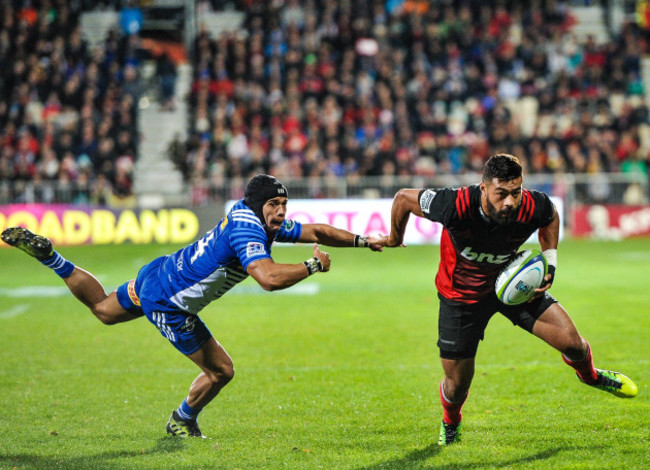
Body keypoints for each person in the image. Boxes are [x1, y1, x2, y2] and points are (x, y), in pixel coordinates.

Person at [1, 174, 384, 438]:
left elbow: (316, 231)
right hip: (170, 303)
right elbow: (266, 278)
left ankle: (52, 258)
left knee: (102, 309)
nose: (281, 212)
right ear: (258, 205)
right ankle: (181, 421)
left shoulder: (254, 216)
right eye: (274, 204)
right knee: (222, 371)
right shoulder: (248, 228)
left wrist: (364, 240)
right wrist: (312, 265)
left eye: (284, 203)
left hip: (159, 273)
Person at [378, 154, 638, 446]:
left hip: (510, 284)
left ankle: (590, 376)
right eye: (501, 194)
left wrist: (550, 263)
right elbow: (402, 199)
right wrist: (393, 237)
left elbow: (550, 216)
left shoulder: (532, 204)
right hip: (461, 298)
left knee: (572, 343)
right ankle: (451, 421)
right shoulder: (454, 205)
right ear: (484, 188)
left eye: (516, 192)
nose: (510, 202)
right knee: (457, 384)